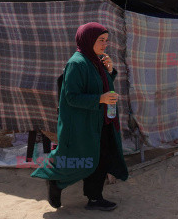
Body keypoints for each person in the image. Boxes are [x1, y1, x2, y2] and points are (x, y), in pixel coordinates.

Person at [31, 22, 128, 211]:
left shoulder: (96, 60)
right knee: (79, 159)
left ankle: (94, 198)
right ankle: (56, 182)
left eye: (106, 41)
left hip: (101, 121)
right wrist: (100, 98)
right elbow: (71, 97)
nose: (105, 44)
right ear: (88, 40)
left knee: (101, 158)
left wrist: (109, 72)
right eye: (101, 40)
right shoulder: (77, 63)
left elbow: (98, 85)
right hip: (82, 124)